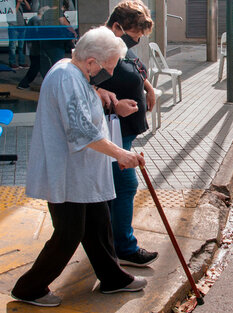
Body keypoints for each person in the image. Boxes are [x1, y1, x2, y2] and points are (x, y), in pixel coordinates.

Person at [10, 26, 147, 308]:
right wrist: (120, 154)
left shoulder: (74, 72)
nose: (108, 72)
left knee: (98, 223)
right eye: (107, 67)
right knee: (69, 233)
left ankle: (113, 278)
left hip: (81, 173)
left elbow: (82, 108)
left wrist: (106, 99)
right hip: (67, 173)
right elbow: (82, 131)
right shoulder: (65, 77)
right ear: (91, 61)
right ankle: (29, 288)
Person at [96, 0, 158, 268]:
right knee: (124, 186)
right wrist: (112, 102)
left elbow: (130, 64)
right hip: (112, 129)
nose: (136, 42)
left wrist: (148, 87)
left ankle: (112, 243)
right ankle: (124, 247)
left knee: (117, 187)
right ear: (117, 26)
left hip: (125, 130)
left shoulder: (119, 45)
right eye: (134, 37)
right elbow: (82, 82)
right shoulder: (99, 46)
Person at [17, 6, 47, 90]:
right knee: (35, 67)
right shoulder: (37, 20)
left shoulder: (34, 19)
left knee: (38, 66)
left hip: (33, 47)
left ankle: (24, 83)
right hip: (34, 48)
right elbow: (38, 34)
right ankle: (23, 83)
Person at [8, 0, 31, 69]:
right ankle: (12, 62)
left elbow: (29, 8)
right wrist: (18, 3)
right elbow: (13, 13)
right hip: (13, 25)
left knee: (21, 46)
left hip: (22, 25)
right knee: (13, 46)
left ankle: (22, 62)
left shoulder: (20, 2)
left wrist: (24, 1)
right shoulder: (10, 3)